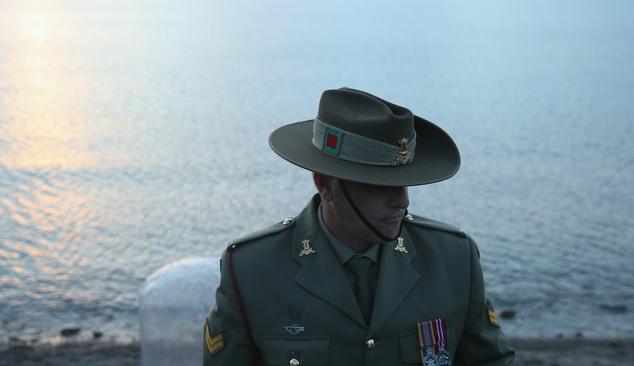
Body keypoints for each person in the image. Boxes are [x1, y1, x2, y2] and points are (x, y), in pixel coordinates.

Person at [203, 88, 515, 365]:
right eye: (380, 186)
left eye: (406, 183)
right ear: (325, 184)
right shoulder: (252, 270)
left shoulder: (453, 259)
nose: (403, 201)